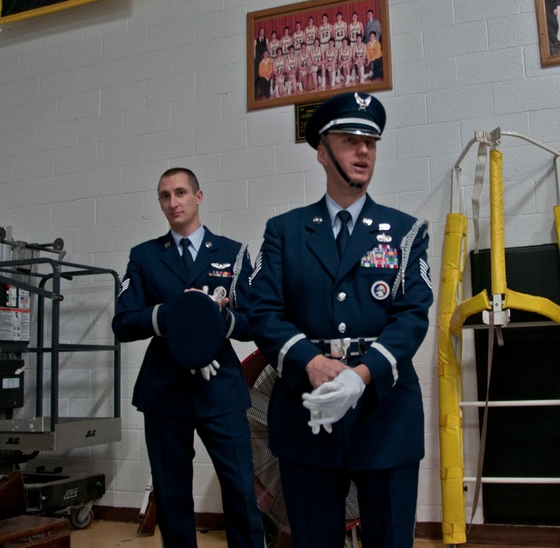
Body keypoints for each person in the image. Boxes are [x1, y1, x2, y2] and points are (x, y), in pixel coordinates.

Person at [249, 92, 433, 548]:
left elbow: (412, 315)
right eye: (351, 140)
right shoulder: (285, 232)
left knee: (390, 539)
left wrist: (362, 375)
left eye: (371, 141)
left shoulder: (407, 231)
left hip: (385, 414)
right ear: (322, 152)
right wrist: (310, 363)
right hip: (306, 411)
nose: (364, 151)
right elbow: (263, 313)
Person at [112, 168, 264, 548]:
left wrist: (222, 319)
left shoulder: (233, 253)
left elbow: (256, 322)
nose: (173, 202)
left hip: (220, 389)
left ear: (199, 196)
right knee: (171, 491)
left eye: (180, 192)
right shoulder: (144, 256)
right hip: (165, 389)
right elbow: (123, 322)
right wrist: (169, 315)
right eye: (164, 196)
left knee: (242, 488)